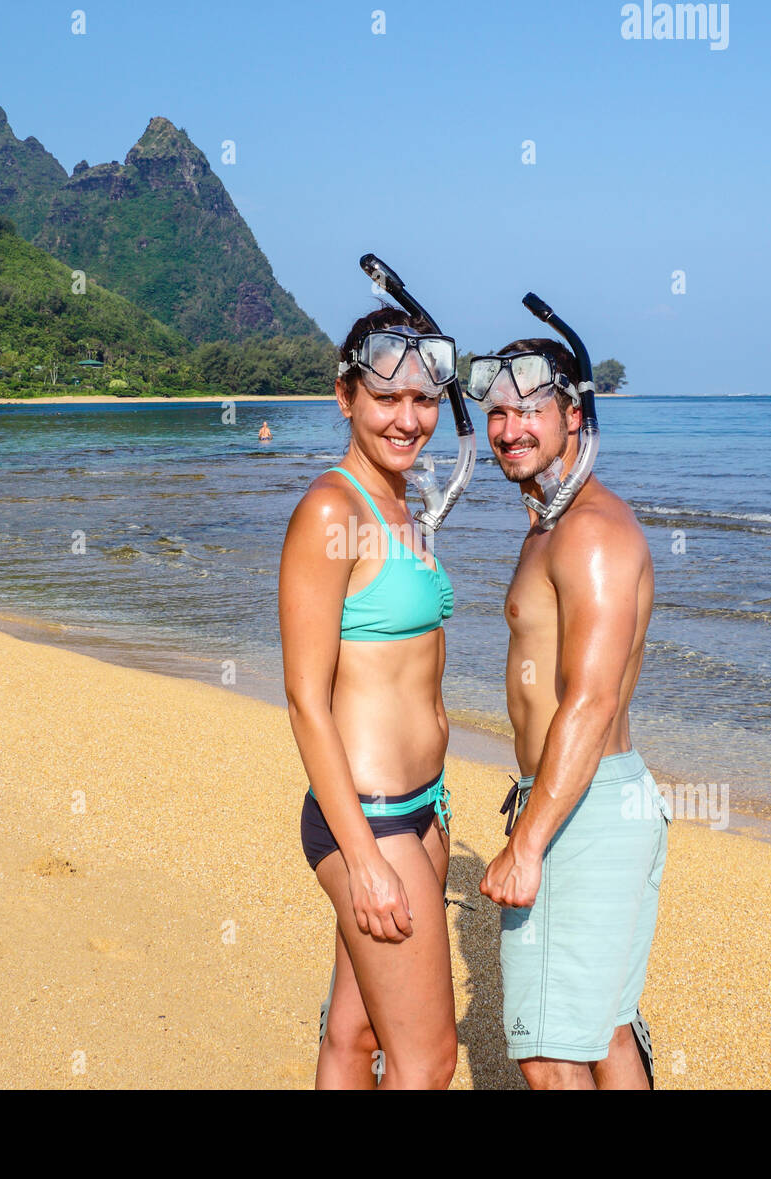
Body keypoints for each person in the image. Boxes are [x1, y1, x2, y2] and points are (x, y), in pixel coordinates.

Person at [472, 336, 670, 1091]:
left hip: (578, 805)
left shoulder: (589, 531)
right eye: (496, 412)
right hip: (588, 796)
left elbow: (590, 698)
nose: (509, 427)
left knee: (548, 1049)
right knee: (603, 1030)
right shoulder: (552, 520)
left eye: (530, 409)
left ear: (575, 417)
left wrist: (527, 842)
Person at [279, 307, 460, 1090]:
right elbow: (304, 700)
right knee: (427, 1060)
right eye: (386, 399)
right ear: (345, 396)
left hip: (424, 808)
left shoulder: (403, 506)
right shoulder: (333, 508)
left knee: (354, 1036)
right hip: (370, 819)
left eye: (423, 400)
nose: (408, 419)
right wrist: (362, 859)